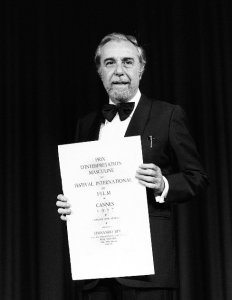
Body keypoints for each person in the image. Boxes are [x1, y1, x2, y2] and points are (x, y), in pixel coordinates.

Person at [56, 32, 208, 300]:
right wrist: (72, 204)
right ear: (99, 71)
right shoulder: (86, 123)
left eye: (127, 62)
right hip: (97, 271)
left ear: (142, 67)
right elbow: (85, 185)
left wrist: (164, 183)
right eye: (110, 63)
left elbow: (197, 177)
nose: (119, 71)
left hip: (146, 269)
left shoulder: (167, 115)